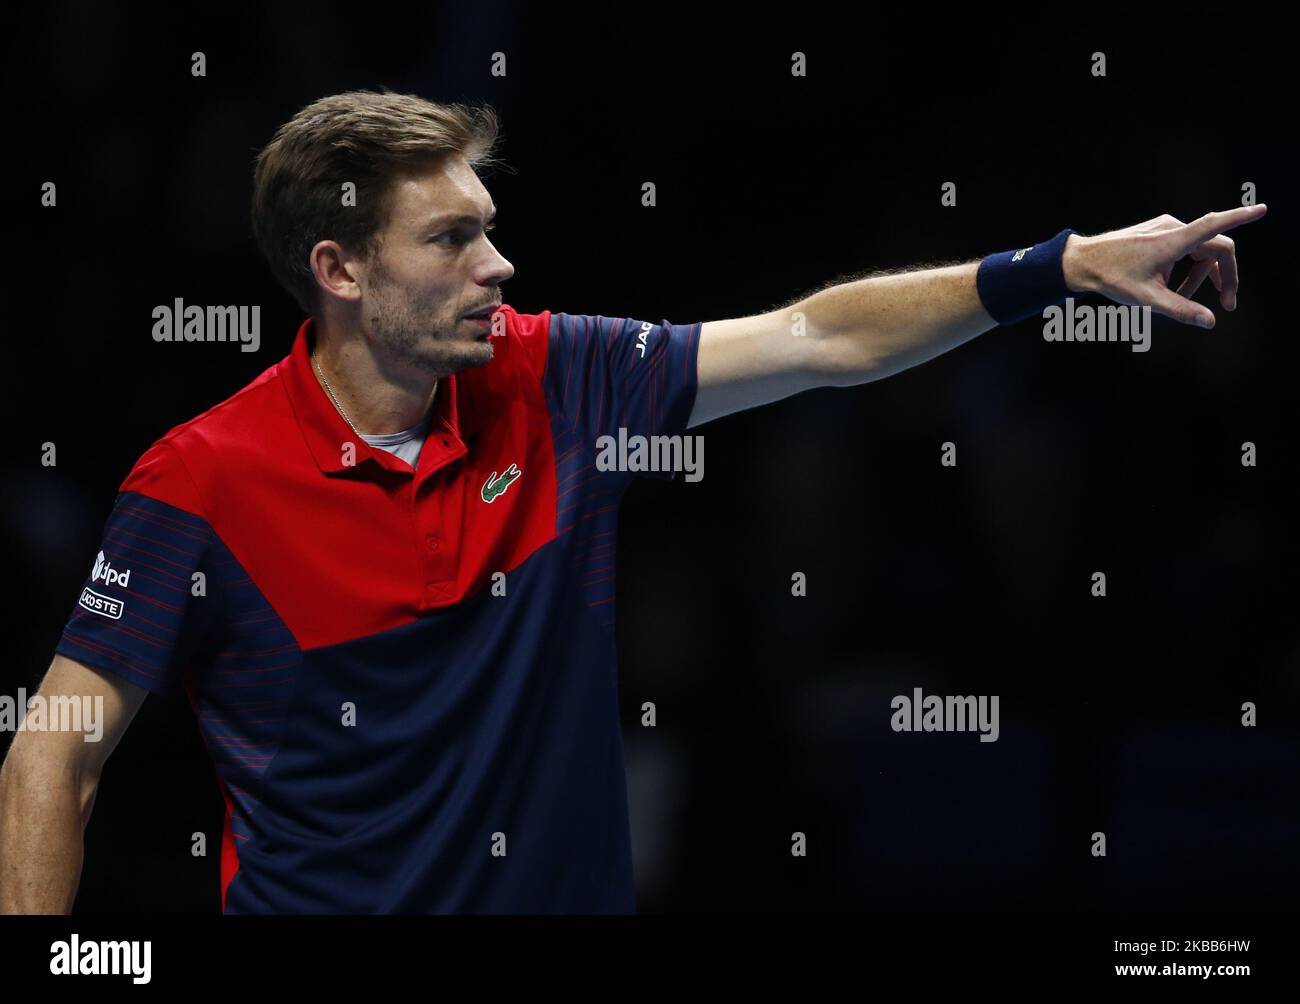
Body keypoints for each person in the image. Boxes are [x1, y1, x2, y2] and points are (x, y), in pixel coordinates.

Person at [0, 89, 1266, 914]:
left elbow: (819, 334)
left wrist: (1057, 267)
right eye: (449, 238)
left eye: (491, 226)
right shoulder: (201, 478)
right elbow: (50, 751)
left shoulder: (556, 374)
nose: (498, 262)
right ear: (337, 269)